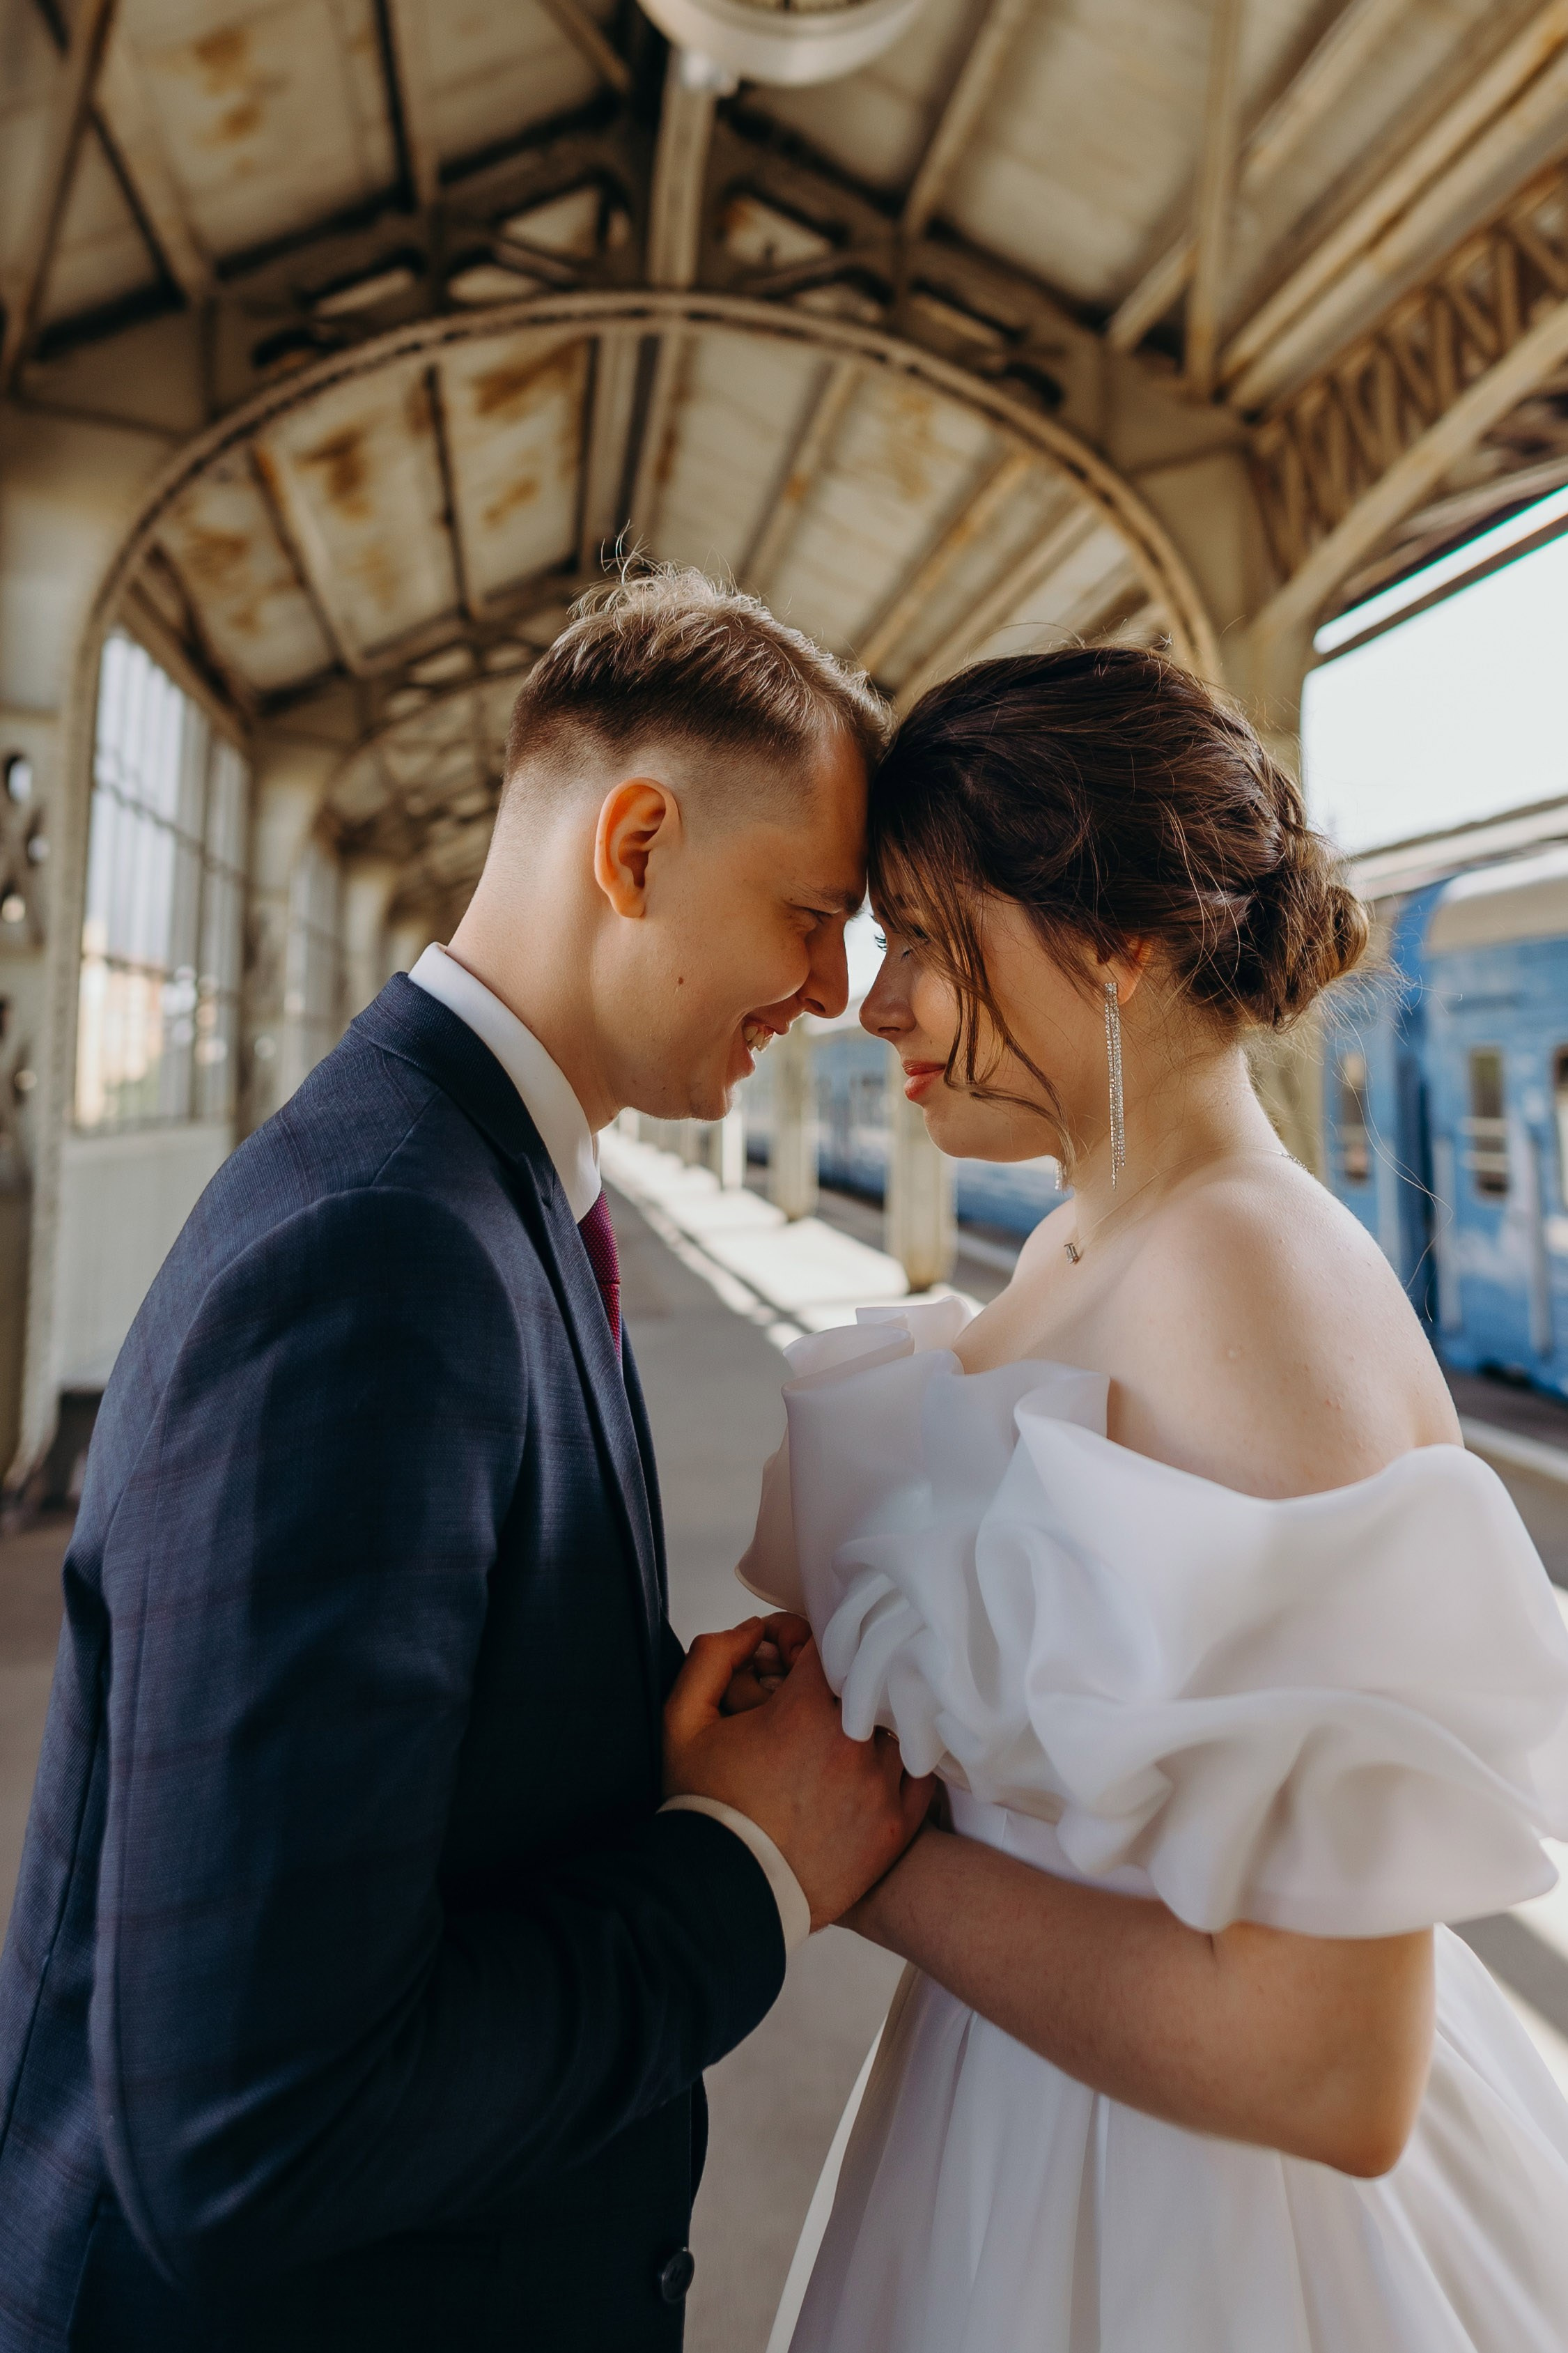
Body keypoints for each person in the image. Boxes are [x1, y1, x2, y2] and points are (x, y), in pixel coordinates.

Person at [0, 569, 931, 2353]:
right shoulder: (379, 1258)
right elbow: (250, 2130)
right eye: (809, 915)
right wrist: (749, 1866)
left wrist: (627, 1732)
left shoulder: (478, 1186)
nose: (831, 991)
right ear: (636, 842)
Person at [740, 647, 1568, 2353]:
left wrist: (855, 1853)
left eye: (921, 935)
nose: (871, 1004)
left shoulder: (1242, 1290)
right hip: (1034, 2123)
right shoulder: (1084, 1237)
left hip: (1195, 2234)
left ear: (1118, 944)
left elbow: (1331, 2067)